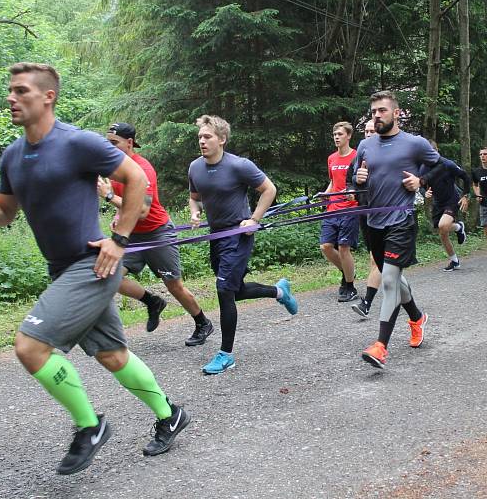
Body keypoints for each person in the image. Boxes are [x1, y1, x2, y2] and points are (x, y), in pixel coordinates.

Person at [0, 63, 190, 475]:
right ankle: (170, 413)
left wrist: (119, 239)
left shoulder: (77, 143)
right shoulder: (14, 155)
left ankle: (90, 426)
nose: (11, 98)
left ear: (48, 96)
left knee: (30, 346)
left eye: (21, 91)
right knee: (111, 354)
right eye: (10, 91)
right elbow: (2, 212)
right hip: (62, 268)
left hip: (92, 264)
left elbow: (136, 177)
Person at [188, 115, 298, 375]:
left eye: (208, 137)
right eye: (200, 137)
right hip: (216, 236)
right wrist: (195, 213)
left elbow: (269, 189)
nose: (202, 141)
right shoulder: (195, 167)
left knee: (224, 289)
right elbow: (195, 198)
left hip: (239, 235)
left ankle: (225, 354)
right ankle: (279, 292)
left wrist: (254, 219)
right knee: (234, 291)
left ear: (222, 139)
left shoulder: (239, 165)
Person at [98, 123, 213, 344]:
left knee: (173, 285)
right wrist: (117, 215)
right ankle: (152, 302)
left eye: (114, 143)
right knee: (111, 277)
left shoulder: (143, 168)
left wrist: (108, 197)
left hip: (157, 233)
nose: (109, 148)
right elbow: (127, 205)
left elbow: (141, 210)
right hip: (131, 234)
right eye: (107, 143)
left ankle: (202, 323)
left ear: (129, 143)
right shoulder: (116, 168)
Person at [353, 91, 439, 368]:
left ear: (396, 113)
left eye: (382, 110)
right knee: (394, 277)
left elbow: (443, 166)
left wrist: (421, 180)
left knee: (389, 280)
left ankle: (380, 346)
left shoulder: (414, 144)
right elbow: (355, 182)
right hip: (372, 222)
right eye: (373, 111)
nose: (377, 115)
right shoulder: (365, 145)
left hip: (401, 220)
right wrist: (358, 178)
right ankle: (416, 317)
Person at [319, 122, 360, 302]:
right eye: (335, 134)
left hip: (350, 208)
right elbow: (333, 182)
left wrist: (354, 193)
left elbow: (361, 182)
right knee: (326, 247)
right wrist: (325, 195)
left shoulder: (357, 156)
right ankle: (347, 271)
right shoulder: (331, 158)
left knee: (344, 248)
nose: (336, 137)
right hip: (332, 209)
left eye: (340, 134)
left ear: (348, 136)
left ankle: (350, 286)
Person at [422, 141, 471, 272]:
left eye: (433, 152)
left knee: (443, 225)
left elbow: (465, 177)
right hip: (438, 203)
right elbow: (420, 184)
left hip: (452, 199)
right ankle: (454, 260)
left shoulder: (448, 164)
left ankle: (458, 227)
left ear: (437, 151)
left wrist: (466, 195)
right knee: (442, 231)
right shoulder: (423, 167)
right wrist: (424, 192)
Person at [351, 120, 382, 318]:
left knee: (376, 260)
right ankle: (401, 293)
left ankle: (367, 303)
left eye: (372, 131)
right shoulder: (361, 153)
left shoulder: (388, 153)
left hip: (386, 211)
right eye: (366, 131)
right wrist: (355, 183)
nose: (369, 134)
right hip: (365, 211)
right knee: (382, 262)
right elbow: (351, 178)